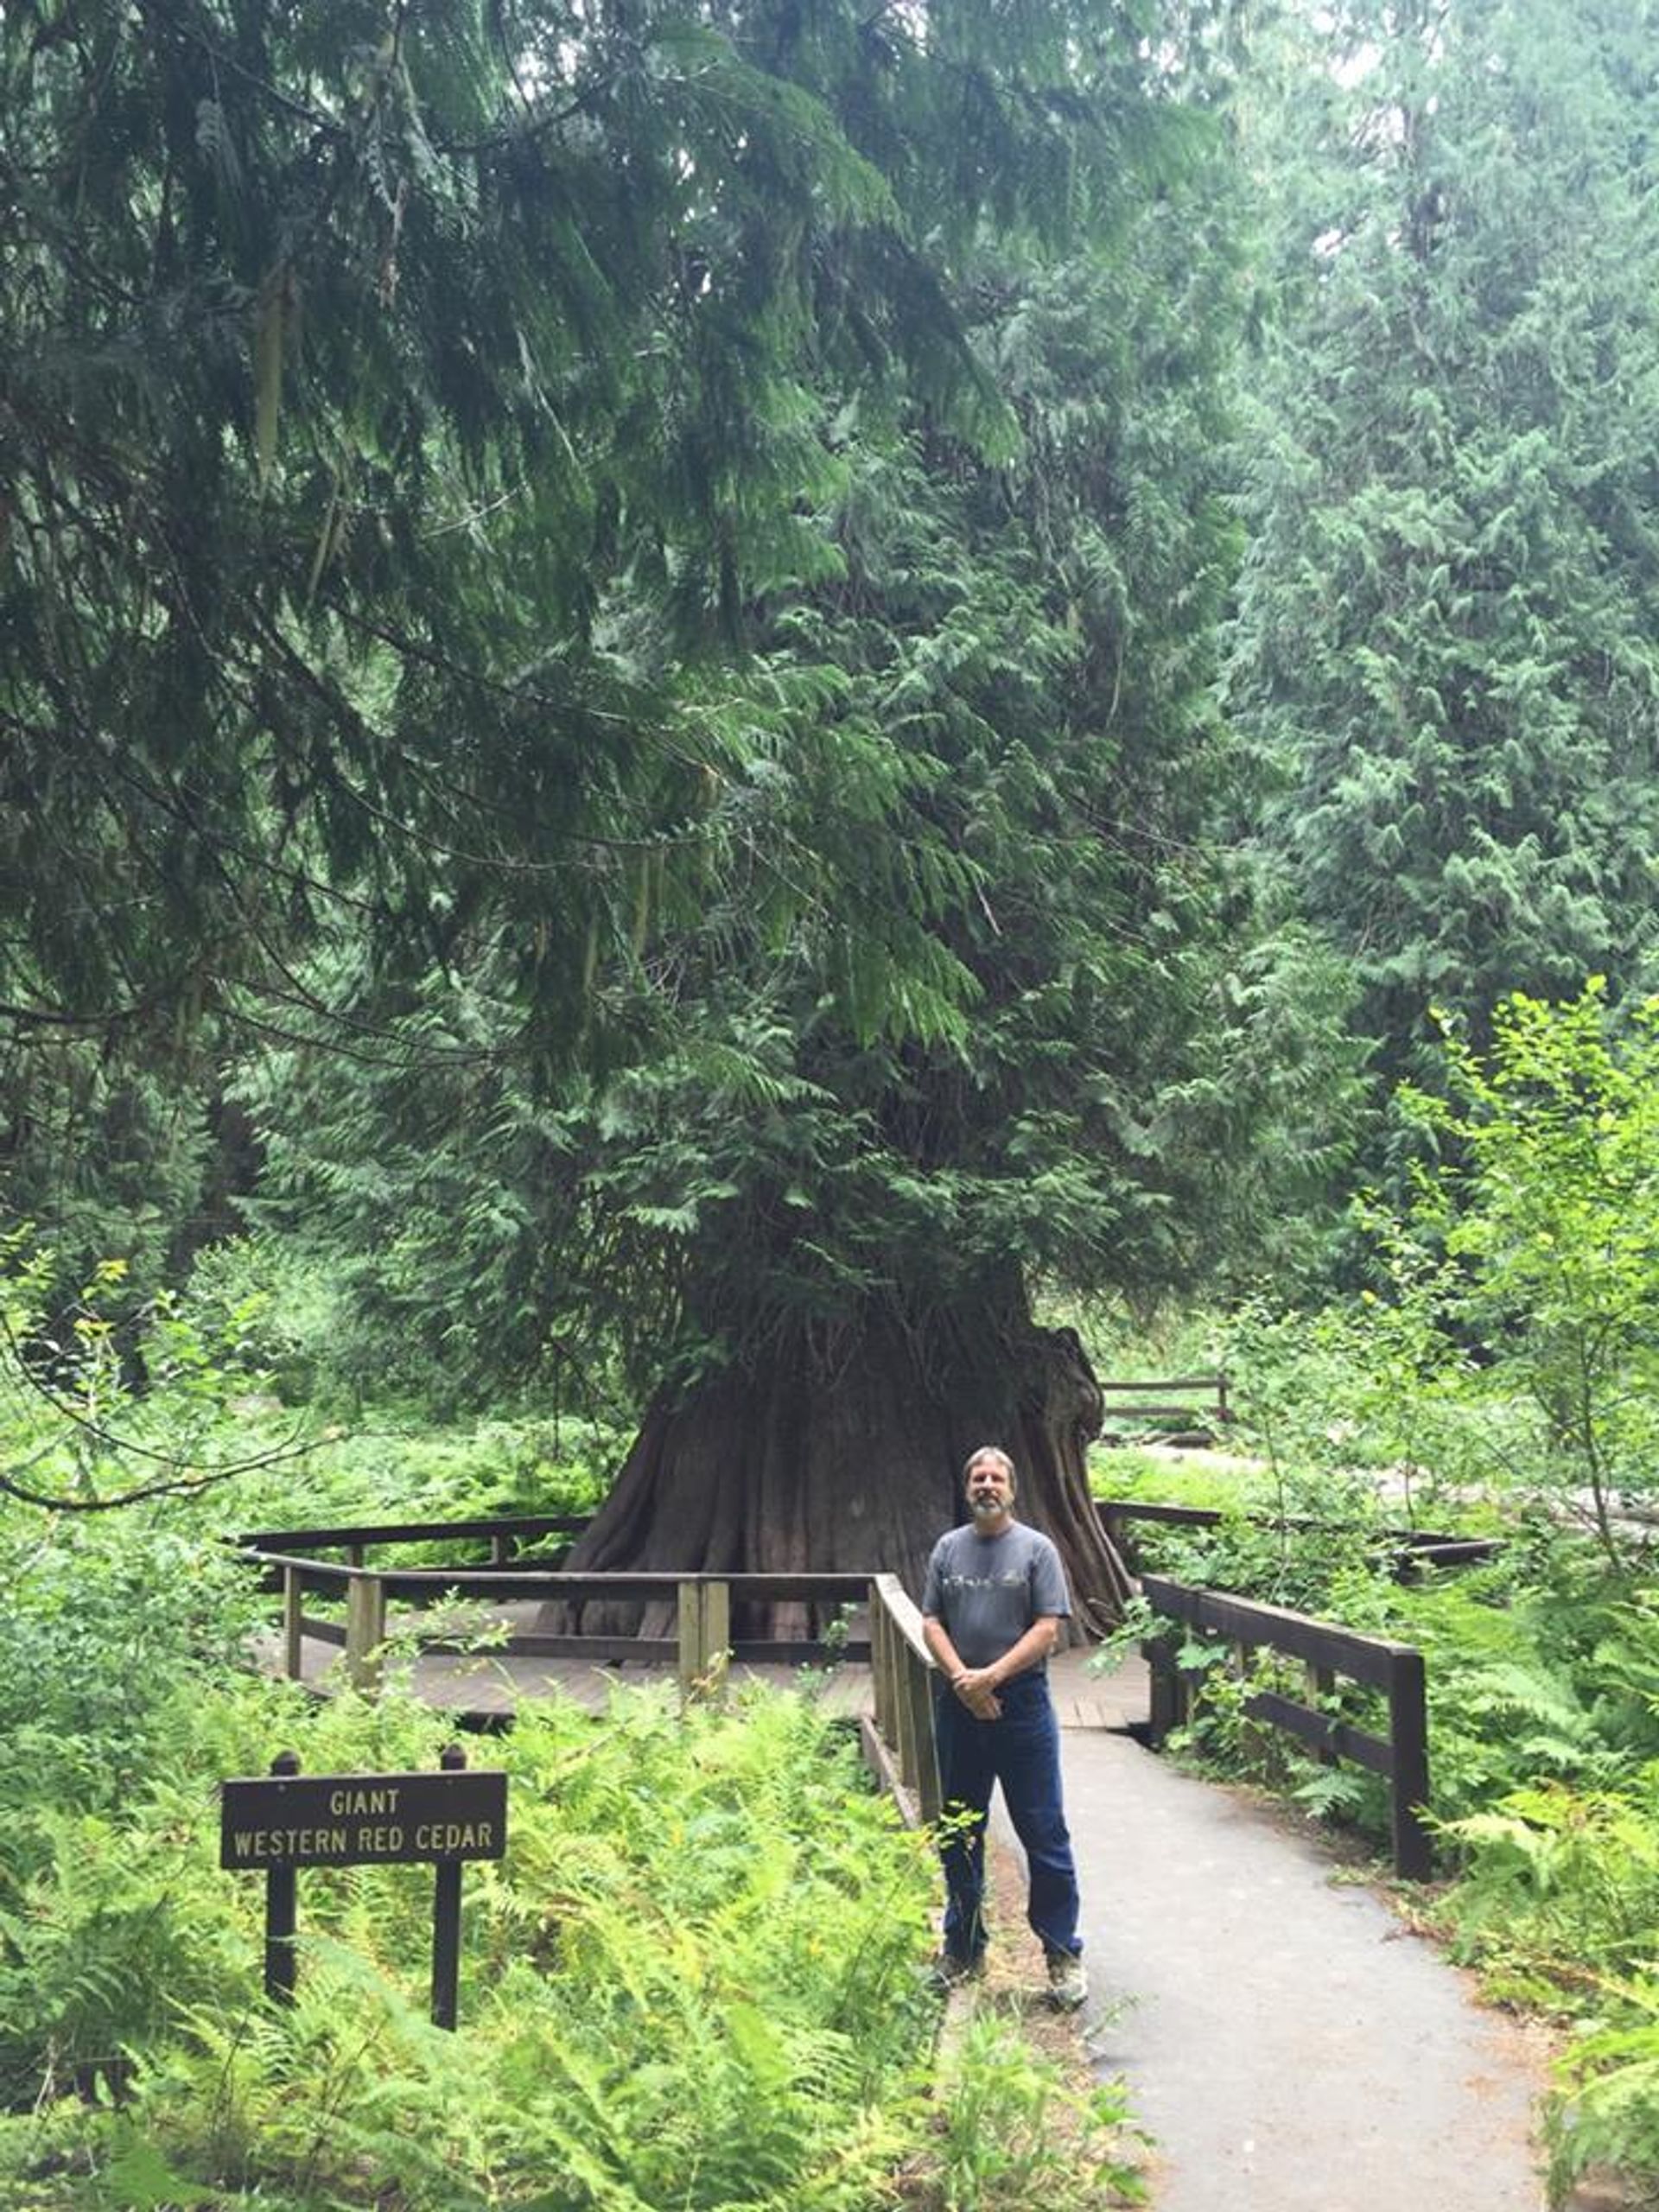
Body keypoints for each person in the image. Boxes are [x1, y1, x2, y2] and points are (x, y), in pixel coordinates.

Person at [920, 1445, 1088, 2010]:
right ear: (967, 1487)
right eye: (977, 1477)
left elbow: (1047, 1629)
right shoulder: (948, 1549)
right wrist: (965, 1682)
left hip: (1021, 1707)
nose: (986, 1485)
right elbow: (931, 1620)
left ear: (1011, 1489)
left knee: (1044, 1831)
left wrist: (990, 1678)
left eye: (996, 1477)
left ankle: (1062, 1954)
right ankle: (963, 1949)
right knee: (959, 1831)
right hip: (960, 1702)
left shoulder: (1036, 1550)